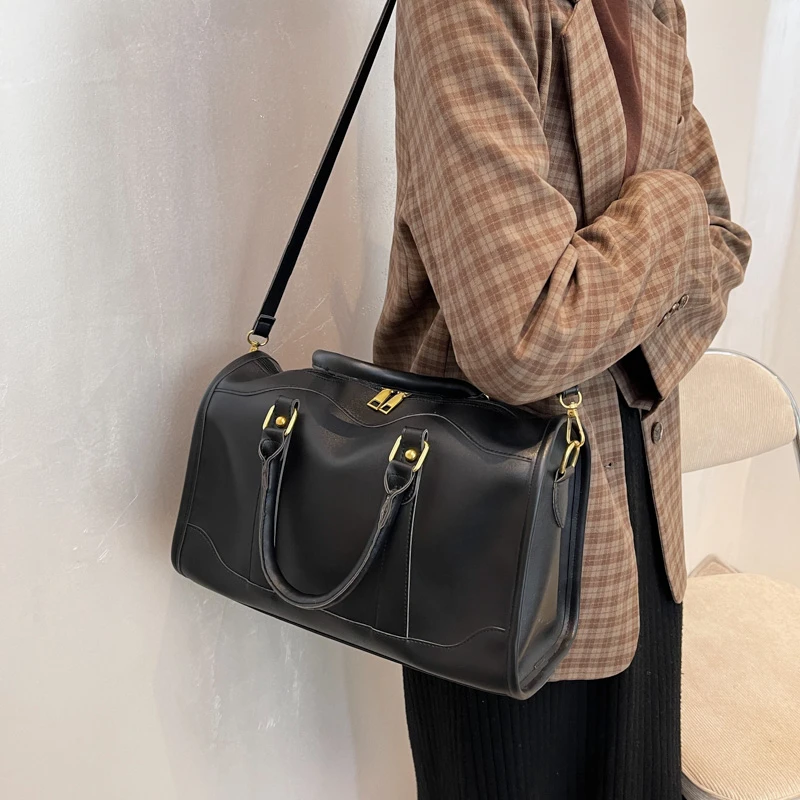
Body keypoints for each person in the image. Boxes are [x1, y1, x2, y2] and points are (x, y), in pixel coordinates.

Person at [372, 0, 752, 798]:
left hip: (643, 517)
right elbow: (525, 337)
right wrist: (670, 209)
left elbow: (724, 246)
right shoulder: (466, 10)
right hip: (499, 548)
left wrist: (619, 333)